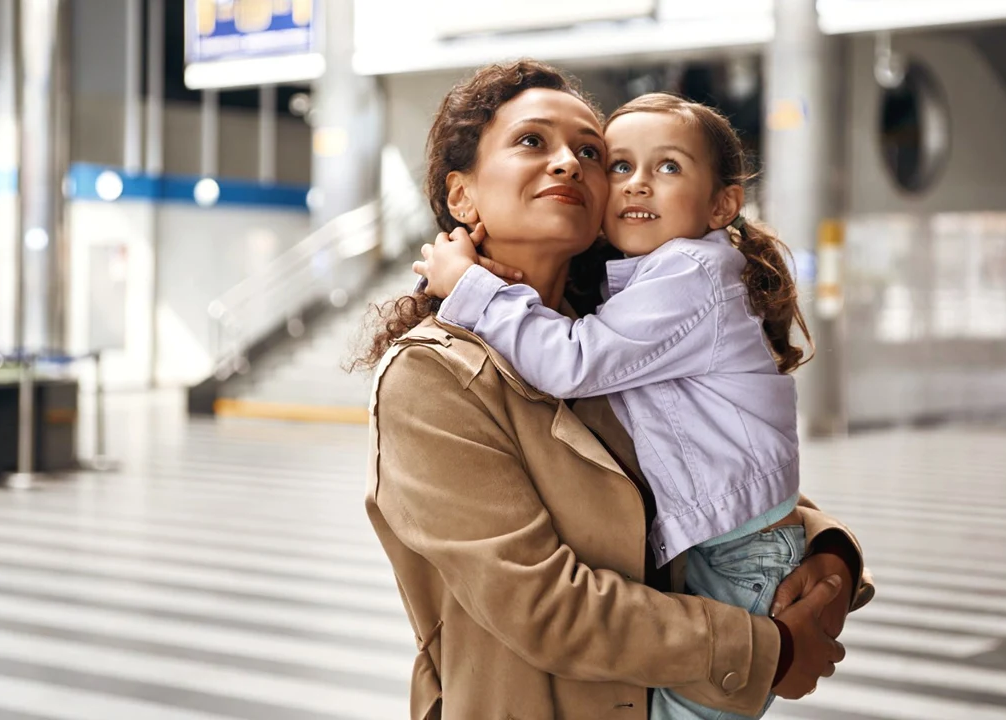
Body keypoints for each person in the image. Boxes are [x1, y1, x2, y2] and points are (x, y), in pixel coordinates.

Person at [358, 60, 873, 720]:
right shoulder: (434, 376)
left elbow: (726, 476)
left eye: (590, 151)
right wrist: (766, 651)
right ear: (462, 198)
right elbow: (545, 605)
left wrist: (830, 559)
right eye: (531, 142)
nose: (569, 163)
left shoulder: (601, 337)